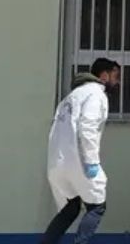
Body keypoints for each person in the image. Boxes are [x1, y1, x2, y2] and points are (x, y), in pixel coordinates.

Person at [42, 57, 119, 244]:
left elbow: (55, 131)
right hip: (79, 161)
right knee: (97, 206)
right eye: (115, 76)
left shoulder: (70, 97)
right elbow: (88, 128)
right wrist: (92, 162)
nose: (117, 82)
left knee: (71, 208)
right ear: (104, 75)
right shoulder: (96, 95)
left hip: (57, 163)